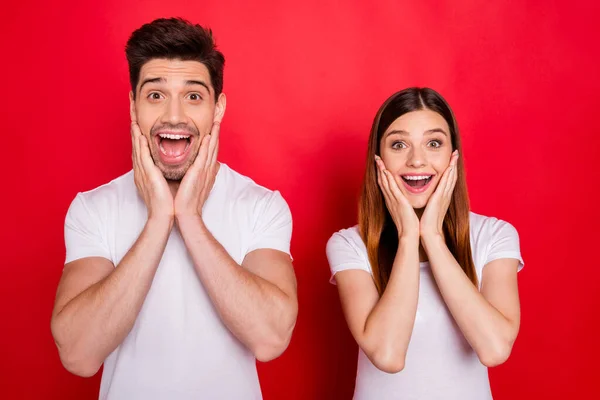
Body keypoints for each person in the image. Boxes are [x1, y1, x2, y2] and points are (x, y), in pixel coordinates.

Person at [51, 17, 298, 400]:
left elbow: (270, 339)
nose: (173, 116)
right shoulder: (92, 208)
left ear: (218, 108)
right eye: (155, 95)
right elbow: (79, 355)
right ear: (134, 106)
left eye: (194, 96)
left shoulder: (262, 206)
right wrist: (158, 220)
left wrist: (190, 218)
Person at [326, 87, 523, 399]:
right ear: (378, 159)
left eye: (433, 143)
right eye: (399, 144)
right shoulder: (350, 245)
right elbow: (388, 354)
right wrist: (408, 235)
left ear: (452, 156)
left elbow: (494, 348)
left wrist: (431, 236)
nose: (417, 160)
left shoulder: (494, 235)